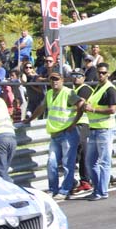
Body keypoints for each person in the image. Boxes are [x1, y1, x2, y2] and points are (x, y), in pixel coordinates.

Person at [25, 72, 85, 200]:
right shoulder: (50, 94)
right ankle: (53, 188)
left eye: (56, 79)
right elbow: (41, 108)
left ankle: (65, 189)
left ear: (62, 80)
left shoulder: (68, 93)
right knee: (51, 163)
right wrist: (29, 119)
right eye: (51, 79)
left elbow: (81, 104)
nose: (54, 82)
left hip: (67, 133)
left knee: (67, 164)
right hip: (55, 133)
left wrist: (74, 123)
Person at [83, 62, 116, 201]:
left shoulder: (110, 89)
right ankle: (98, 188)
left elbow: (112, 109)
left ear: (108, 73)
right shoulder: (98, 87)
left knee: (104, 161)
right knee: (90, 161)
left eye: (104, 72)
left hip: (105, 129)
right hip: (93, 128)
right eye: (99, 72)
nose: (101, 75)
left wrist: (93, 109)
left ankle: (102, 191)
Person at [69, 72, 94, 197]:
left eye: (79, 76)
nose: (76, 78)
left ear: (84, 78)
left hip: (83, 122)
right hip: (74, 122)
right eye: (73, 75)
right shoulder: (73, 89)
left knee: (82, 151)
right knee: (76, 152)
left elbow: (80, 104)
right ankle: (80, 180)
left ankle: (85, 180)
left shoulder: (85, 89)